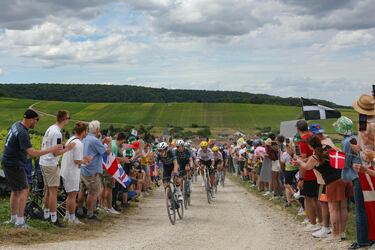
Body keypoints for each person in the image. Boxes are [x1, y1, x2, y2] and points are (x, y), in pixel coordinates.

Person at [2, 109, 61, 228]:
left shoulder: (16, 125)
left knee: (15, 190)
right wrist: (52, 149)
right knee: (24, 190)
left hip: (7, 160)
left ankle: (14, 218)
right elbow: (32, 153)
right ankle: (20, 221)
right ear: (30, 119)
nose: (36, 123)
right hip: (15, 163)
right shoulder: (23, 133)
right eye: (36, 120)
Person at [294, 135, 353, 241]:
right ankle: (342, 233)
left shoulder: (315, 157)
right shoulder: (328, 147)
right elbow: (339, 152)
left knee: (333, 209)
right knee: (343, 207)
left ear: (310, 146)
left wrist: (299, 161)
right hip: (343, 177)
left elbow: (307, 167)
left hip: (332, 182)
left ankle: (335, 234)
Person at [40, 110, 75, 227]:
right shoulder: (58, 133)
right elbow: (56, 153)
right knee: (53, 192)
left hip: (43, 161)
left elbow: (53, 146)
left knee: (47, 190)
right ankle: (54, 218)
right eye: (68, 118)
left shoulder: (51, 128)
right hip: (50, 163)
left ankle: (46, 215)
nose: (69, 120)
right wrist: (68, 148)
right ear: (65, 119)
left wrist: (63, 145)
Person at [77, 120, 111, 220]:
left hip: (83, 169)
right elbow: (107, 152)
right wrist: (108, 143)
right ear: (97, 130)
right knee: (92, 193)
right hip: (92, 171)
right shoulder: (95, 141)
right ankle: (90, 213)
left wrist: (102, 142)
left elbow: (94, 148)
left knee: (82, 191)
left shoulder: (86, 138)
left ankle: (79, 210)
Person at [60, 122, 92, 224]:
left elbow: (74, 157)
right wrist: (86, 160)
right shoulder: (79, 143)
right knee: (73, 196)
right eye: (86, 131)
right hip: (72, 172)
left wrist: (83, 159)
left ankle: (67, 216)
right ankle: (72, 218)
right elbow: (77, 161)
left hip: (65, 170)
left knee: (69, 195)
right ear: (84, 132)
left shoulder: (71, 139)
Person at [296, 120, 322, 232]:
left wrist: (301, 178)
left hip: (308, 173)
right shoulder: (313, 136)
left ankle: (313, 222)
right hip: (317, 171)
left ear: (298, 129)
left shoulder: (303, 141)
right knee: (317, 199)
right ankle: (321, 221)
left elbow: (303, 160)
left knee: (309, 199)